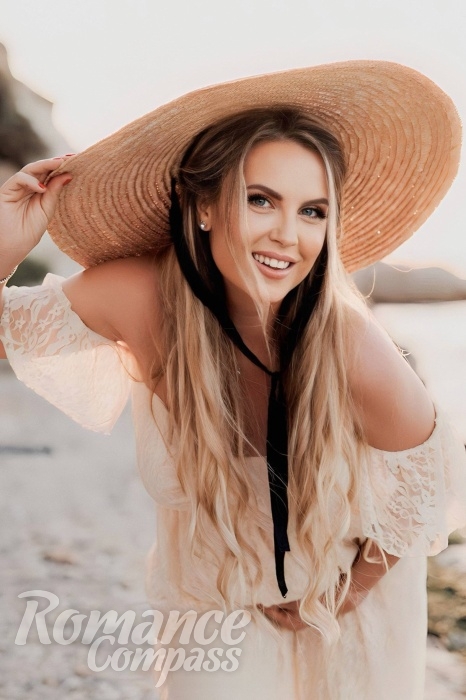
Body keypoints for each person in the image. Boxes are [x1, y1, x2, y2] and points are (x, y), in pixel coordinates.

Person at [1, 61, 466, 699]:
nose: (287, 235)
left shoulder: (348, 345)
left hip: (344, 602)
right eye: (260, 200)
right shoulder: (141, 297)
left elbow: (429, 475)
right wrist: (8, 242)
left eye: (312, 211)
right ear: (203, 207)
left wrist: (348, 592)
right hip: (211, 591)